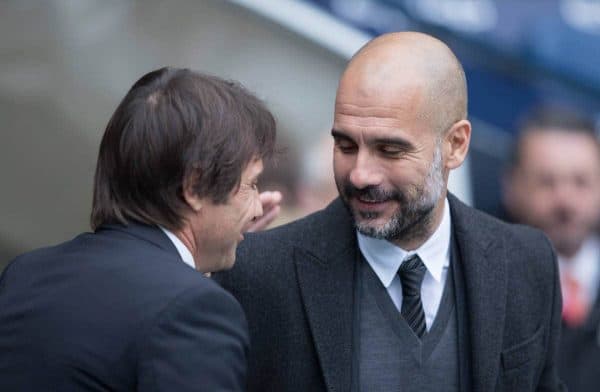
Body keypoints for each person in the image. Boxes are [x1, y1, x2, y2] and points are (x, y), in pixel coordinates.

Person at [216, 32, 565, 391]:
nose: (360, 174)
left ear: (456, 145)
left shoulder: (525, 263)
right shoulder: (259, 272)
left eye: (389, 150)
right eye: (346, 145)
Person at [0, 67, 277, 391]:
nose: (258, 207)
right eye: (252, 184)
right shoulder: (194, 312)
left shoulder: (28, 272)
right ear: (194, 185)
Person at [503, 105, 600, 392]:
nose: (565, 200)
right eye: (547, 182)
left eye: (581, 182)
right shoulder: (483, 279)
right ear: (512, 186)